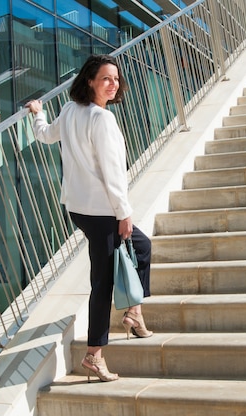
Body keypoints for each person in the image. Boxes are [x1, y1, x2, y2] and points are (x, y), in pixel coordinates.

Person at [25, 54, 152, 383]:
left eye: (116, 79)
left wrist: (37, 115)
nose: (114, 84)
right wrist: (124, 214)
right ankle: (94, 355)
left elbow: (45, 135)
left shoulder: (68, 111)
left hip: (80, 209)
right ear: (90, 81)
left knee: (143, 246)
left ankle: (134, 311)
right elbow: (113, 174)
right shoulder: (102, 119)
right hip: (103, 211)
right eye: (106, 78)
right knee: (103, 283)